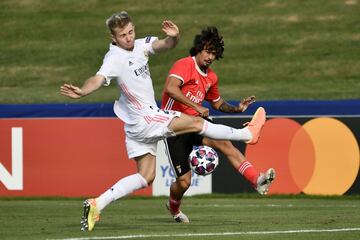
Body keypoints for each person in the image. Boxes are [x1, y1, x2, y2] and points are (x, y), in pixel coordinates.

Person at [60, 12, 265, 232]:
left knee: (146, 176)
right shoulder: (114, 58)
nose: (128, 38)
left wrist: (174, 37)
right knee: (196, 123)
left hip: (134, 126)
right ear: (113, 37)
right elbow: (98, 79)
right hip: (146, 118)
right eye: (122, 35)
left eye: (130, 32)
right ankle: (248, 135)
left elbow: (164, 44)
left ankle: (97, 204)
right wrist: (82, 90)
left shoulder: (140, 45)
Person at [161, 26, 275, 223]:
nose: (210, 56)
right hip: (174, 125)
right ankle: (174, 207)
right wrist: (196, 106)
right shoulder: (184, 65)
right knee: (184, 182)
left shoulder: (211, 77)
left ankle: (257, 180)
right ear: (198, 49)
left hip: (196, 123)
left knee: (225, 144)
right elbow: (170, 89)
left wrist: (237, 108)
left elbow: (217, 103)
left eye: (214, 53)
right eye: (207, 51)